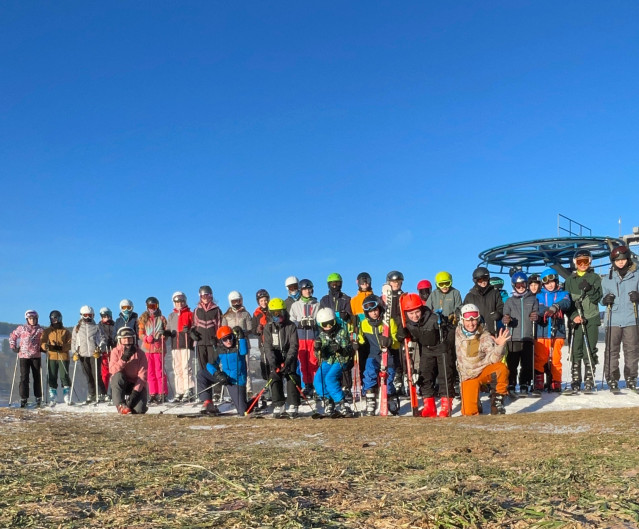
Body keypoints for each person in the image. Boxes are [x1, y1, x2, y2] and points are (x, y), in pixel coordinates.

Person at [398, 293, 455, 418]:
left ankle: (446, 405)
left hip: (442, 349)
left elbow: (451, 331)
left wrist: (447, 344)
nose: (414, 316)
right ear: (406, 313)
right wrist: (401, 335)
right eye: (411, 313)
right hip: (426, 350)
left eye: (417, 312)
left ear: (422, 309)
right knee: (425, 376)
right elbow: (410, 337)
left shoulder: (433, 319)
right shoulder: (407, 323)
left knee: (445, 376)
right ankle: (429, 407)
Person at [455, 304, 511, 415]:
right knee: (469, 413)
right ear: (462, 320)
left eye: (474, 320)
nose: (471, 324)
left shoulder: (484, 336)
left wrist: (499, 346)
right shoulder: (457, 333)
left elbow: (493, 359)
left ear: (478, 319)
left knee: (501, 368)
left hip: (482, 371)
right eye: (468, 320)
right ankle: (476, 402)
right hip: (467, 376)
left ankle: (497, 403)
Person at [600, 245, 639, 392]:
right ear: (613, 262)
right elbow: (601, 298)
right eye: (617, 260)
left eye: (623, 259)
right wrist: (605, 300)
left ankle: (631, 377)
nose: (620, 262)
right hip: (613, 319)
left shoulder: (637, 275)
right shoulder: (607, 279)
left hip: (631, 317)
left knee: (632, 350)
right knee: (611, 350)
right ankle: (612, 378)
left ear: (628, 259)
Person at [565, 249, 603, 392]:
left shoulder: (595, 278)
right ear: (575, 263)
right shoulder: (569, 280)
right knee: (576, 348)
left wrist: (590, 289)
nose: (582, 264)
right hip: (576, 319)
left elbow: (597, 298)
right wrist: (574, 315)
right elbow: (566, 302)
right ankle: (576, 379)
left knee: (590, 348)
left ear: (590, 262)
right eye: (580, 261)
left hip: (591, 317)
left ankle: (589, 378)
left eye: (585, 261)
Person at [357, 294, 400, 416]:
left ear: (380, 308)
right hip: (373, 355)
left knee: (388, 378)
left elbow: (396, 343)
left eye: (375, 310)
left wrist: (390, 341)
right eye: (370, 311)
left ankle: (390, 396)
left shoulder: (389, 322)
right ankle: (370, 400)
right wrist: (356, 341)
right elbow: (361, 340)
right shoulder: (364, 324)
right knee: (369, 374)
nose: (374, 313)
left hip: (388, 355)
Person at [426, 271, 464, 396]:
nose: (444, 287)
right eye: (441, 284)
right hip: (438, 326)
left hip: (450, 326)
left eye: (447, 283)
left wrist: (455, 315)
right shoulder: (434, 294)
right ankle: (439, 381)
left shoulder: (455, 293)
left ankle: (455, 380)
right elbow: (427, 309)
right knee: (440, 353)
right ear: (437, 285)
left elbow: (459, 307)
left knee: (451, 353)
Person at [198, 326, 249, 415]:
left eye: (230, 337)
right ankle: (208, 402)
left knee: (242, 411)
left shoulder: (238, 347)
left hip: (235, 381)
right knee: (201, 374)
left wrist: (241, 337)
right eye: (225, 339)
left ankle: (254, 401)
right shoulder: (220, 350)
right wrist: (218, 374)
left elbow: (244, 352)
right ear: (221, 341)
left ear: (233, 337)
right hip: (224, 377)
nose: (228, 341)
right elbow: (210, 365)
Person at [502, 272, 539, 397]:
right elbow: (505, 316)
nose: (521, 287)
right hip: (513, 337)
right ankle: (511, 384)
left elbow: (536, 313)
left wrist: (535, 316)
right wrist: (506, 319)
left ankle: (524, 383)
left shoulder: (532, 299)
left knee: (527, 363)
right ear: (514, 286)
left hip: (528, 336)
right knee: (512, 363)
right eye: (518, 285)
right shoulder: (510, 301)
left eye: (523, 284)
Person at [535, 269, 571, 393]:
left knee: (556, 358)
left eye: (552, 282)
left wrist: (556, 307)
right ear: (543, 284)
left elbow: (566, 303)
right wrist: (545, 311)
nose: (550, 285)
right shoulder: (539, 296)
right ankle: (539, 382)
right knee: (541, 357)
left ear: (556, 281)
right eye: (547, 283)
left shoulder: (563, 294)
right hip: (542, 331)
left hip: (558, 331)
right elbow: (538, 307)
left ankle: (556, 381)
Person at [263, 298, 300, 418]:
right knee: (274, 375)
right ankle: (279, 404)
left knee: (291, 375)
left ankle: (293, 404)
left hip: (289, 354)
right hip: (276, 355)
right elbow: (268, 347)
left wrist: (288, 361)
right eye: (274, 313)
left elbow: (294, 345)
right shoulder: (268, 327)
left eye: (280, 312)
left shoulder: (291, 326)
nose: (277, 316)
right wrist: (273, 363)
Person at [313, 307, 354, 417]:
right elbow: (318, 356)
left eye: (331, 323)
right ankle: (328, 401)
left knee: (330, 378)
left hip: (341, 359)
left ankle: (342, 403)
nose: (328, 327)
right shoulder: (321, 336)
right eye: (325, 325)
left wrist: (340, 348)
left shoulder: (341, 332)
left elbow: (348, 350)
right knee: (318, 380)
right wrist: (318, 349)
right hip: (328, 360)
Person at [289, 279, 319, 397]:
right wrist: (299, 324)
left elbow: (321, 319)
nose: (307, 291)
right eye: (305, 289)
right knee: (303, 362)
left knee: (313, 361)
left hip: (312, 337)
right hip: (301, 338)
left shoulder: (317, 304)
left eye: (309, 289)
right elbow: (291, 321)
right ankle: (307, 385)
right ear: (301, 291)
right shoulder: (296, 305)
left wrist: (315, 323)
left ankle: (316, 385)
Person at [109, 327, 148, 414]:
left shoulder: (140, 354)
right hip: (121, 383)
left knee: (139, 410)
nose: (127, 341)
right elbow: (112, 370)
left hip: (135, 384)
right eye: (124, 339)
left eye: (129, 338)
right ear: (120, 340)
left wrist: (135, 393)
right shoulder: (115, 351)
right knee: (117, 376)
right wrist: (123, 359)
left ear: (134, 339)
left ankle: (133, 405)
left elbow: (143, 376)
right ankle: (120, 404)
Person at [71, 306, 106, 403]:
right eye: (85, 315)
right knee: (88, 375)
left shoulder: (97, 327)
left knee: (96, 375)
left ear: (93, 316)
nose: (88, 317)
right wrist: (75, 352)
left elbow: (103, 339)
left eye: (90, 315)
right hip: (82, 355)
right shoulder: (77, 328)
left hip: (94, 354)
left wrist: (100, 349)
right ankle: (92, 394)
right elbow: (74, 341)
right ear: (81, 315)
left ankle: (102, 393)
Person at [9, 310, 44, 407]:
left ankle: (38, 397)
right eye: (30, 319)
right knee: (24, 377)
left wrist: (44, 347)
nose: (32, 320)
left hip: (36, 356)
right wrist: (14, 347)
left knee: (37, 377)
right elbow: (12, 336)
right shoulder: (22, 328)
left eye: (34, 319)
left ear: (37, 319)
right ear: (27, 319)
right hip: (24, 356)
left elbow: (45, 340)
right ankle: (24, 398)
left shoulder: (40, 330)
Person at [222, 291, 254, 397]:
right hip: (231, 344)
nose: (236, 303)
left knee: (246, 366)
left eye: (238, 301)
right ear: (230, 302)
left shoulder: (246, 314)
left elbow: (250, 328)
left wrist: (242, 332)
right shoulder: (226, 315)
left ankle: (248, 389)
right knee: (233, 367)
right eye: (234, 301)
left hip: (243, 343)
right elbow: (223, 329)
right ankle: (233, 389)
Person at [138, 296, 169, 404]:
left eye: (154, 306)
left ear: (157, 306)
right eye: (150, 306)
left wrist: (164, 335)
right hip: (147, 349)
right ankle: (153, 393)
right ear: (147, 307)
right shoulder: (144, 319)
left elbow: (167, 332)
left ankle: (162, 393)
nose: (152, 309)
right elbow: (140, 334)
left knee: (159, 370)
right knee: (150, 371)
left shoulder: (162, 319)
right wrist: (146, 338)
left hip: (158, 348)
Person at [167, 291, 195, 402]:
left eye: (182, 301)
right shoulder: (171, 315)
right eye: (177, 302)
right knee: (177, 368)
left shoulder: (190, 314)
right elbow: (168, 328)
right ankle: (180, 391)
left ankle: (189, 389)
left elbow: (194, 327)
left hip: (186, 343)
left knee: (186, 367)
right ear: (174, 303)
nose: (180, 304)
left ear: (185, 301)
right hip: (175, 344)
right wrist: (167, 333)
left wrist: (190, 330)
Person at [41, 310, 72, 405]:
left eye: (56, 318)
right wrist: (45, 346)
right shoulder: (47, 331)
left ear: (60, 318)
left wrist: (62, 347)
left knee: (64, 376)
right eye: (52, 319)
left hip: (63, 356)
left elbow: (71, 343)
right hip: (52, 356)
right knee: (52, 376)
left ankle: (66, 394)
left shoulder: (65, 331)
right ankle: (53, 395)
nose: (54, 320)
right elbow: (42, 341)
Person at [383, 270, 406, 396]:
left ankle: (400, 380)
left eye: (398, 281)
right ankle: (391, 381)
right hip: (389, 329)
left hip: (400, 328)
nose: (395, 284)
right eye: (393, 282)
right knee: (391, 355)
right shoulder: (385, 297)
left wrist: (404, 328)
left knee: (401, 356)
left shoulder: (404, 296)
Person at [190, 285, 223, 372]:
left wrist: (217, 338)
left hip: (212, 341)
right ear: (200, 297)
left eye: (207, 295)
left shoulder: (216, 310)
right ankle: (204, 380)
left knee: (212, 365)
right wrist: (192, 332)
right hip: (200, 341)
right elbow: (194, 324)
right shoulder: (197, 310)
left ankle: (214, 380)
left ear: (211, 296)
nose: (205, 298)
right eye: (203, 296)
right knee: (203, 366)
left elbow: (219, 326)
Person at [463, 267, 504, 336]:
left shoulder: (494, 293)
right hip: (475, 331)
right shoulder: (470, 296)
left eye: (485, 279)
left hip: (491, 330)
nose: (483, 282)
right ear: (475, 281)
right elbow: (464, 311)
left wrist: (499, 314)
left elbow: (501, 307)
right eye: (480, 280)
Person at [252, 288, 271, 402]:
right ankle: (268, 384)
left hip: (273, 341)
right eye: (261, 301)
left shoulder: (272, 310)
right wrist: (257, 329)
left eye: (265, 300)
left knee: (273, 362)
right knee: (265, 363)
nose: (264, 302)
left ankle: (274, 385)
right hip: (263, 342)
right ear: (258, 302)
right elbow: (253, 329)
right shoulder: (256, 314)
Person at [97, 307, 116, 402]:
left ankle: (113, 392)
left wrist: (114, 340)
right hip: (104, 351)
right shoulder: (99, 326)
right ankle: (104, 392)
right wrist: (103, 344)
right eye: (104, 316)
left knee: (114, 370)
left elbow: (116, 334)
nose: (106, 318)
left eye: (108, 316)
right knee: (105, 372)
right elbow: (99, 336)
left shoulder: (114, 324)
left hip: (113, 349)